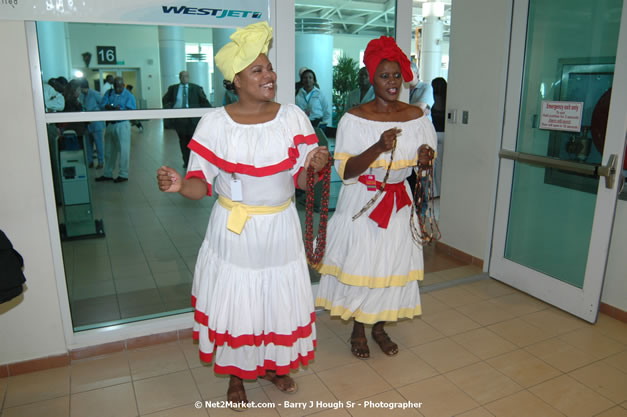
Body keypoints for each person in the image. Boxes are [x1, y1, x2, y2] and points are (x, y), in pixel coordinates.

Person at [156, 22, 329, 407]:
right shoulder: (216, 124)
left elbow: (301, 181)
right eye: (258, 70)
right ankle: (237, 375)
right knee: (240, 299)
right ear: (236, 80)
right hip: (234, 230)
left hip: (280, 226)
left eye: (269, 69)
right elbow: (201, 183)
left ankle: (273, 364)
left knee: (275, 297)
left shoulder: (293, 118)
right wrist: (180, 184)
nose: (270, 76)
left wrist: (314, 165)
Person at [315, 36, 437, 359]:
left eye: (396, 75)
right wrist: (378, 147)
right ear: (373, 78)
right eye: (385, 76)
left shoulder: (417, 117)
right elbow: (347, 171)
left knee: (392, 265)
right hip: (363, 203)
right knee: (363, 267)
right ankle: (358, 330)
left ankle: (380, 327)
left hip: (399, 203)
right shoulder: (354, 119)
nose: (392, 82)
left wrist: (424, 160)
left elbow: (424, 162)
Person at [162, 70, 211, 168]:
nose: (184, 78)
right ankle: (187, 161)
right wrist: (171, 108)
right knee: (183, 141)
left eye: (186, 76)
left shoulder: (196, 88)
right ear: (179, 77)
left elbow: (204, 102)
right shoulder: (173, 88)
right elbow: (165, 99)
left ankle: (195, 161)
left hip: (193, 120)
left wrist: (209, 114)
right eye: (182, 76)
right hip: (179, 119)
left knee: (194, 140)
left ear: (189, 77)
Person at [96, 77, 136, 183]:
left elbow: (132, 110)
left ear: (123, 85)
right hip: (110, 124)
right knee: (108, 150)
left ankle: (123, 174)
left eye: (119, 86)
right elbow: (102, 105)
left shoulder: (129, 96)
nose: (117, 89)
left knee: (123, 150)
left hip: (122, 124)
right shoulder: (109, 93)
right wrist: (107, 106)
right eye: (115, 86)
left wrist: (120, 109)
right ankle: (107, 173)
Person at [80, 79, 105, 168]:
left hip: (96, 122)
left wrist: (95, 113)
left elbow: (103, 104)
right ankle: (89, 161)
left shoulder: (94, 94)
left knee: (98, 144)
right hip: (87, 123)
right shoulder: (81, 96)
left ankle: (101, 162)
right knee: (88, 144)